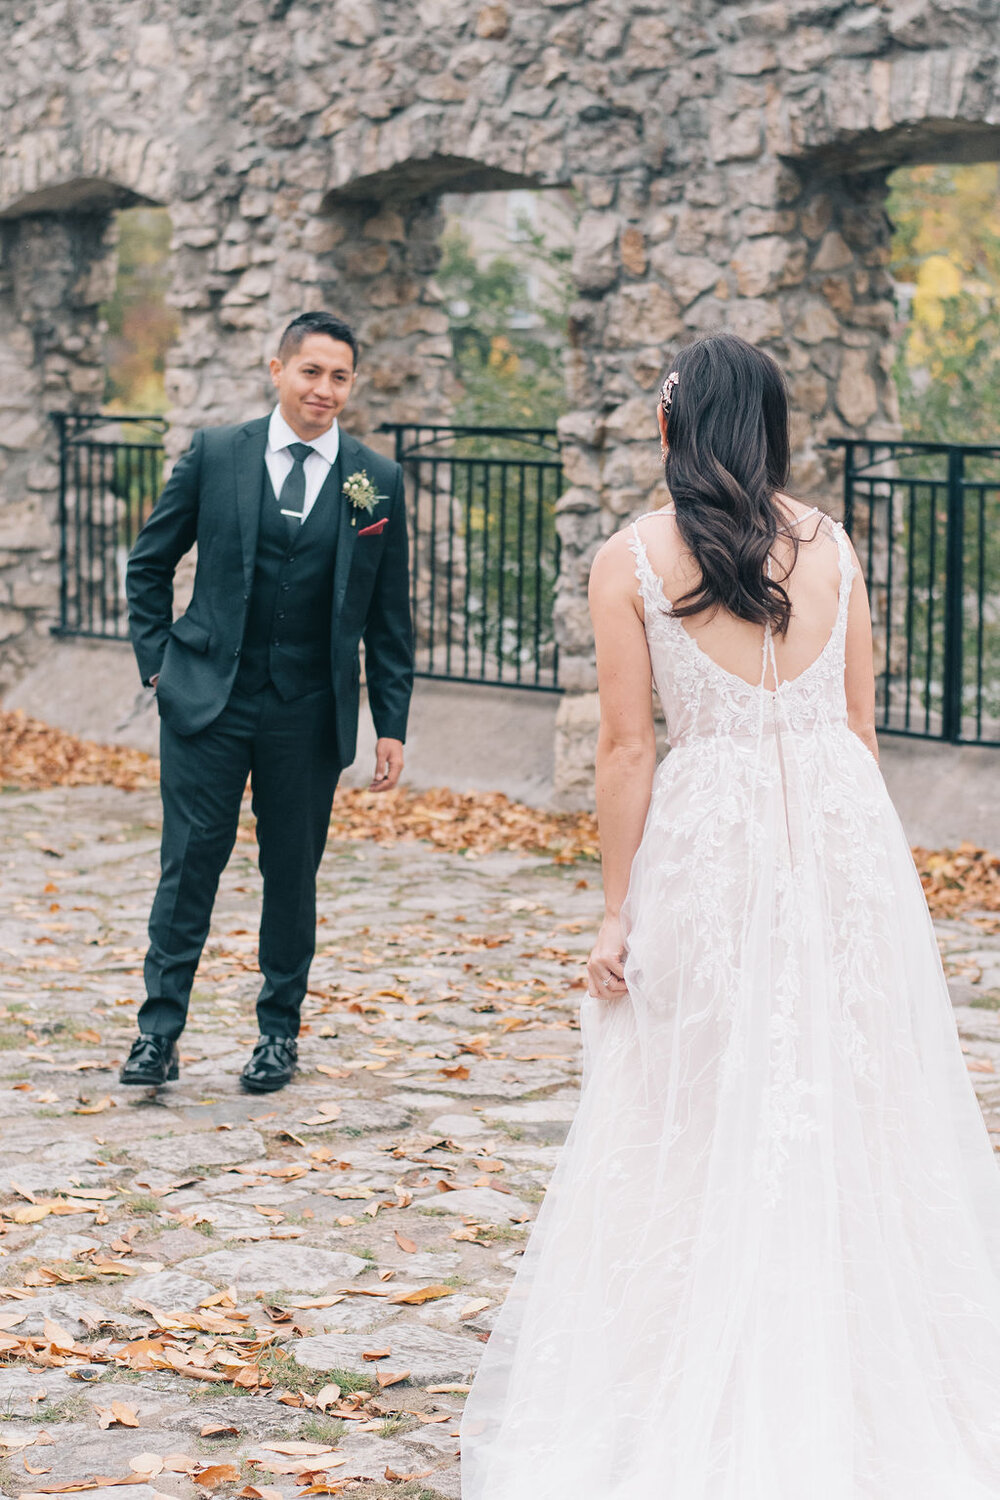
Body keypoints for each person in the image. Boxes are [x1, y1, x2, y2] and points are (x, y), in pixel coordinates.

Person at [460, 333, 1000, 1497]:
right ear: (770, 429)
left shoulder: (631, 558)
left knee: (699, 1104)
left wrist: (616, 912)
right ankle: (857, 1366)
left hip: (708, 842)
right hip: (841, 844)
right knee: (850, 1095)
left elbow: (622, 748)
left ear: (672, 427)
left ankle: (699, 1366)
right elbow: (857, 732)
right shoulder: (838, 547)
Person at [121, 311, 412, 1093]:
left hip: (307, 713)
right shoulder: (218, 454)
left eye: (340, 376)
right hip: (206, 701)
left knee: (292, 875)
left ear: (352, 386)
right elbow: (148, 566)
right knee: (188, 868)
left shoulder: (374, 481)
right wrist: (158, 668)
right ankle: (158, 1033)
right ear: (276, 369)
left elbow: (389, 615)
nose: (324, 389)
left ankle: (277, 1035)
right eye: (310, 371)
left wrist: (392, 723)